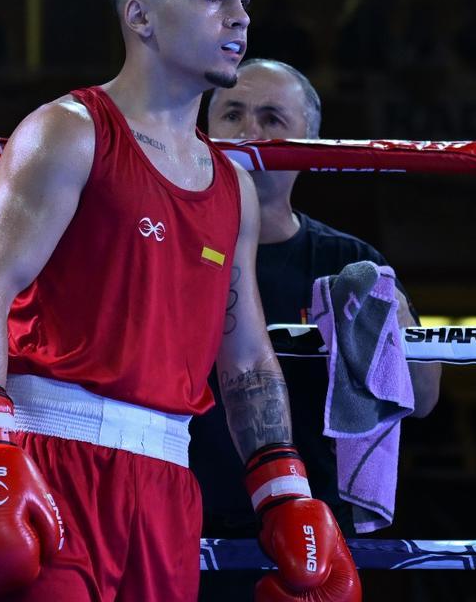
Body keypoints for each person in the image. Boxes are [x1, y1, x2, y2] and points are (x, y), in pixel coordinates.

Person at [0, 0, 361, 601]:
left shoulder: (232, 188)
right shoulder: (70, 131)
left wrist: (284, 491)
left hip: (166, 484)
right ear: (141, 16)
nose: (240, 16)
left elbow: (246, 356)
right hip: (51, 458)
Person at [192, 58, 442, 596]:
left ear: (310, 141)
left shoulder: (347, 261)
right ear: (204, 131)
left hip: (308, 527)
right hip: (184, 519)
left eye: (272, 118)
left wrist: (391, 309)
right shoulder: (168, 248)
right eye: (232, 113)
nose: (249, 133)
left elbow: (423, 398)